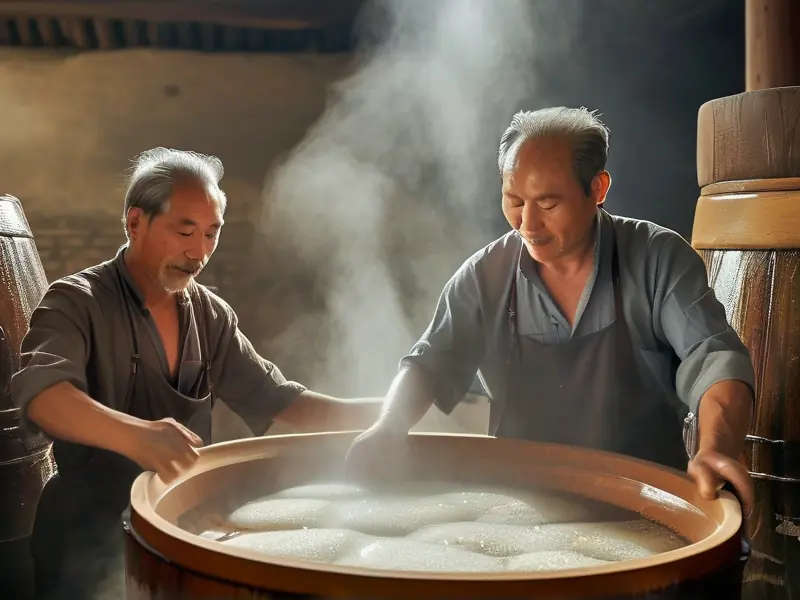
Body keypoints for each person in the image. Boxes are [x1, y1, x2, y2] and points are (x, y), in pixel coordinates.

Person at [345, 107, 756, 517]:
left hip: (649, 509)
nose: (528, 224)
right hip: (519, 514)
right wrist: (389, 427)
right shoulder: (485, 276)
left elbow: (714, 356)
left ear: (598, 188)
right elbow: (429, 362)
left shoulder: (656, 258)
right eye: (514, 201)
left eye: (548, 203)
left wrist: (716, 447)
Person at [12, 148, 381, 599]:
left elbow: (283, 403)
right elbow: (44, 396)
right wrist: (137, 436)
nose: (199, 252)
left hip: (170, 536)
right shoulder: (76, 301)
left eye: (212, 234)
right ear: (134, 222)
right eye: (184, 231)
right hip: (82, 546)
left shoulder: (210, 315)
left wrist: (395, 409)